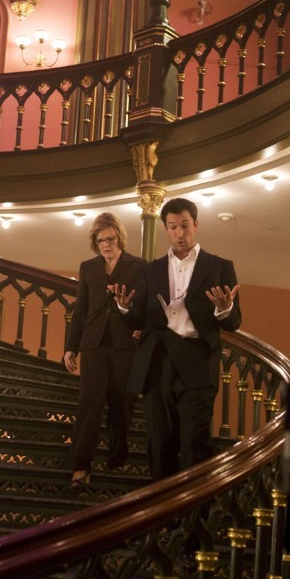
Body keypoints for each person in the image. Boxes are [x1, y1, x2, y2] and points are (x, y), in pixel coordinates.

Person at [110, 197, 241, 481]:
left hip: (197, 362)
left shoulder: (219, 266)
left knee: (196, 444)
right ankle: (163, 508)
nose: (179, 233)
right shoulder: (151, 270)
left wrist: (225, 308)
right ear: (166, 229)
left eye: (184, 225)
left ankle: (196, 508)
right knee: (159, 444)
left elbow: (234, 322)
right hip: (157, 362)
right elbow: (138, 318)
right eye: (172, 227)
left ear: (196, 225)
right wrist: (124, 307)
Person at [64, 212, 146, 487]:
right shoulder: (88, 267)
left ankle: (117, 460)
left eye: (110, 239)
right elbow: (80, 310)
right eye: (100, 241)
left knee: (123, 402)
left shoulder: (139, 266)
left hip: (126, 343)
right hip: (94, 344)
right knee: (90, 402)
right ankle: (80, 466)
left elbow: (145, 305)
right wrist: (71, 348)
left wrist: (136, 319)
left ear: (119, 238)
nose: (106, 245)